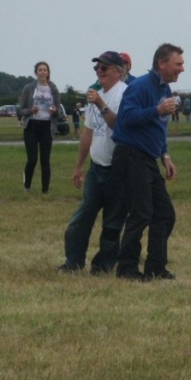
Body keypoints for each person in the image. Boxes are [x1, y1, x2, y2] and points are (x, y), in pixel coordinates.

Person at [111, 43, 184, 281]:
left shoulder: (165, 88)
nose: (182, 69)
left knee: (164, 213)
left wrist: (165, 155)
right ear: (162, 63)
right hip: (130, 156)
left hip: (148, 159)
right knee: (140, 213)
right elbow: (126, 118)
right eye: (178, 64)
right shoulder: (140, 86)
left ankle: (156, 267)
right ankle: (127, 269)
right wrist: (156, 110)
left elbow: (158, 127)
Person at [59, 51, 128, 274]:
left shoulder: (124, 94)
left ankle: (103, 265)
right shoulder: (95, 95)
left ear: (117, 71)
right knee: (82, 217)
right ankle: (73, 261)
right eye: (96, 68)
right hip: (96, 169)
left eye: (104, 68)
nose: (99, 72)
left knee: (112, 223)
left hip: (118, 170)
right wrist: (79, 166)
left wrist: (100, 104)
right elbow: (88, 134)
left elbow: (120, 127)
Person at [19, 61, 62, 194]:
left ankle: (45, 191)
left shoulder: (53, 89)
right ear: (36, 73)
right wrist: (30, 111)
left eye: (45, 70)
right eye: (40, 70)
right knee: (32, 159)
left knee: (45, 160)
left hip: (46, 126)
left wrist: (54, 111)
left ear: (48, 73)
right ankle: (27, 186)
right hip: (32, 125)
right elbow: (20, 109)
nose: (42, 72)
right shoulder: (29, 88)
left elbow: (59, 112)